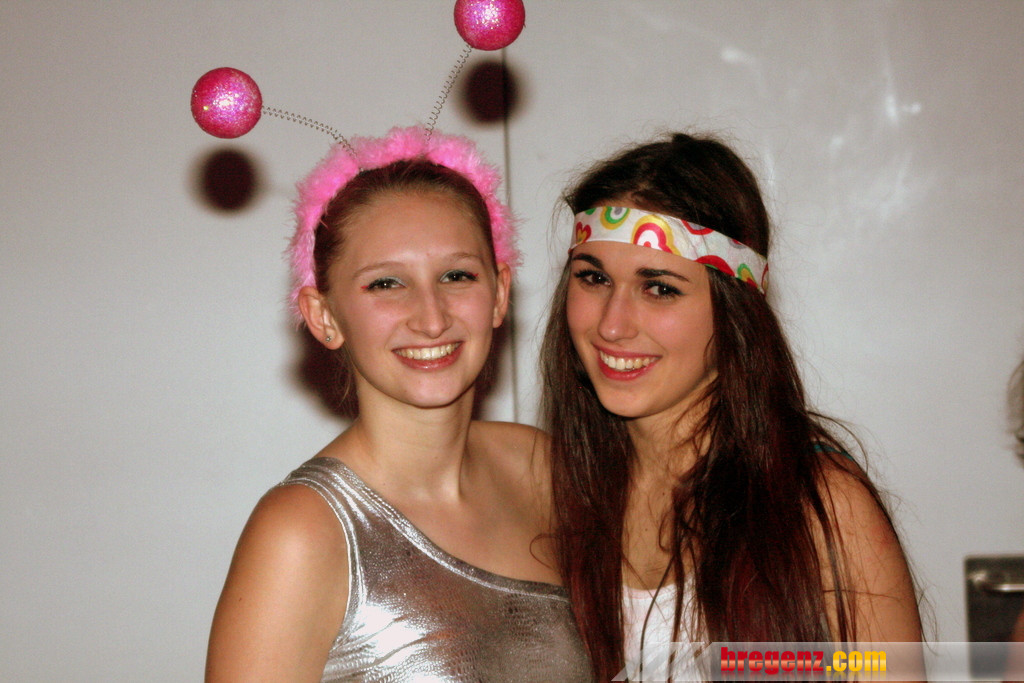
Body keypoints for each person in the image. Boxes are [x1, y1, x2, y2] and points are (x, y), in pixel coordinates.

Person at [206, 127, 592, 682]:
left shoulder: (539, 468)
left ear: (500, 293)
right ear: (323, 316)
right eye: (386, 284)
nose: (431, 318)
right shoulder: (301, 532)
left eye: (456, 276)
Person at [540, 132, 923, 680]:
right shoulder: (556, 489)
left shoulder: (816, 503)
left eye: (660, 288)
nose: (612, 325)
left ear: (734, 309)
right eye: (594, 278)